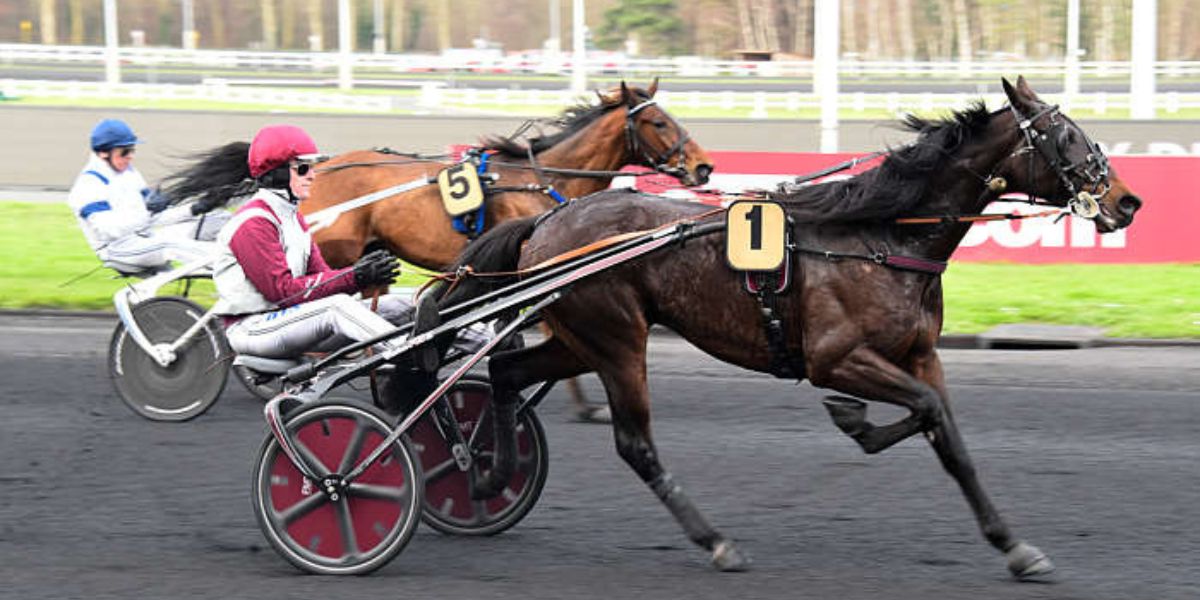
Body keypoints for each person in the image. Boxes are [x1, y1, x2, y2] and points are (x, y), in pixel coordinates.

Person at [213, 124, 487, 410]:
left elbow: (322, 277)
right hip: (254, 329)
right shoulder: (253, 223)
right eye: (303, 169)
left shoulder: (294, 220)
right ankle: (407, 355)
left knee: (406, 303)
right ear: (278, 173)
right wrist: (355, 277)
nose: (314, 175)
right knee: (338, 306)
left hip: (292, 321)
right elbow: (282, 292)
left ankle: (488, 342)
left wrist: (359, 275)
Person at [67, 118, 224, 274]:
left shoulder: (130, 174)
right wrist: (147, 210)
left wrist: (195, 208)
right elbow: (110, 231)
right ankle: (229, 263)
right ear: (103, 153)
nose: (130, 156)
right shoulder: (89, 185)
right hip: (119, 249)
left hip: (146, 238)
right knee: (169, 244)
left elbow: (154, 218)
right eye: (124, 152)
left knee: (217, 219)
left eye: (132, 150)